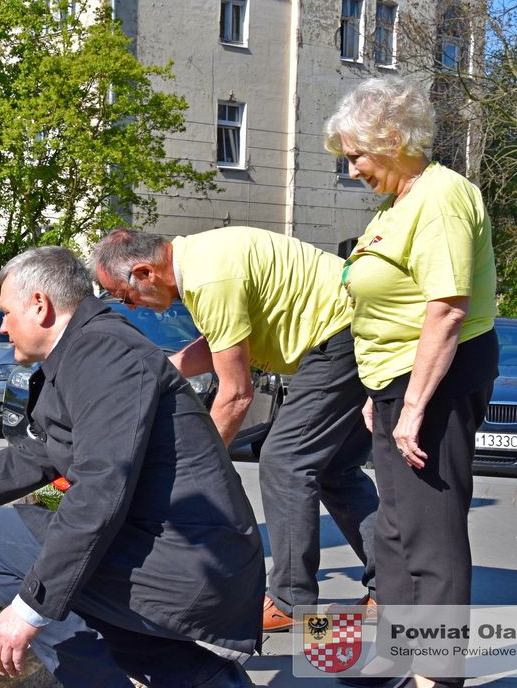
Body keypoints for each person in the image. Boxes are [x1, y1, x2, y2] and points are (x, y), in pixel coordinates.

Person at [0, 246, 264, 687]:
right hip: (173, 553)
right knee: (54, 580)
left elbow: (100, 490)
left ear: (39, 305)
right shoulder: (89, 348)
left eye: (6, 312)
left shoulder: (104, 353)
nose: (2, 325)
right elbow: (35, 457)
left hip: (191, 565)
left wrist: (27, 611)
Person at [93, 227, 378, 632]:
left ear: (145, 273)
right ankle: (394, 587)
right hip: (353, 332)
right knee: (335, 471)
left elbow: (236, 394)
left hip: (340, 338)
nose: (133, 308)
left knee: (284, 462)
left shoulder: (208, 278)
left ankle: (290, 599)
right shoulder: (201, 261)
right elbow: (223, 342)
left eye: (125, 297)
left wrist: (197, 470)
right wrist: (163, 372)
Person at [324, 76, 498, 688]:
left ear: (393, 139)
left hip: (437, 382)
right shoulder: (397, 203)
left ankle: (437, 672)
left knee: (431, 532)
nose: (351, 171)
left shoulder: (443, 197)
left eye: (356, 156)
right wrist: (380, 394)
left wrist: (413, 406)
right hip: (396, 381)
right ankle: (399, 654)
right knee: (395, 528)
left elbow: (447, 309)